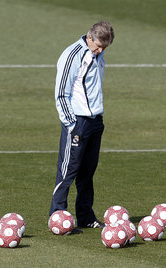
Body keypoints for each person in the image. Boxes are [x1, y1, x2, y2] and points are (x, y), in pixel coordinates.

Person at [49, 21, 115, 230]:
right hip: (77, 122)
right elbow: (61, 92)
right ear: (89, 37)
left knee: (88, 172)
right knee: (68, 170)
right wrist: (71, 123)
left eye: (104, 48)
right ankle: (57, 216)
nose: (100, 51)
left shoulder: (98, 55)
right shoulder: (72, 55)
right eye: (98, 46)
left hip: (96, 121)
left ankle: (85, 217)